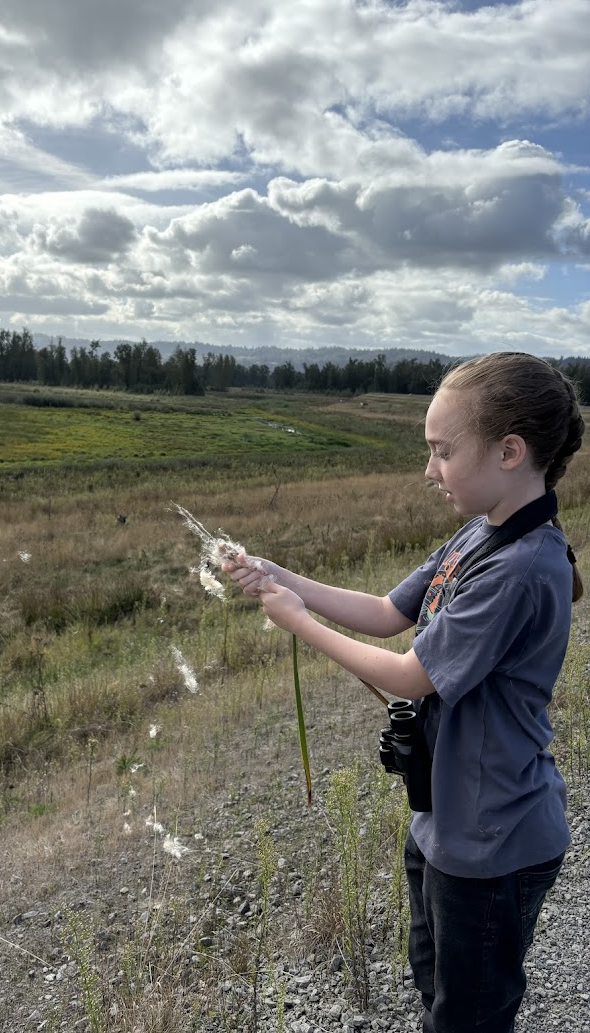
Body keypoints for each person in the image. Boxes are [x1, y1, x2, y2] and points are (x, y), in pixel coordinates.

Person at [223, 351, 584, 1033]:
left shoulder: (522, 567)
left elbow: (407, 672)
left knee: (470, 1016)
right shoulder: (476, 535)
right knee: (436, 988)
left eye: (441, 451)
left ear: (508, 450)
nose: (428, 470)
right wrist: (284, 576)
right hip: (443, 824)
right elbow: (388, 610)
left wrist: (298, 624)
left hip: (494, 839)